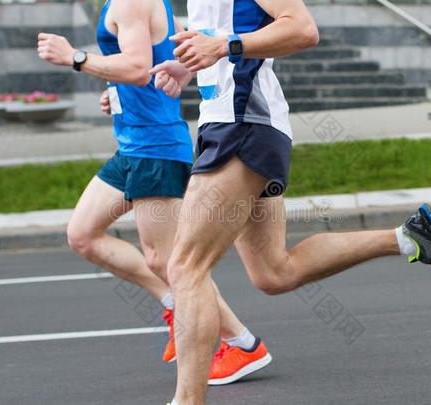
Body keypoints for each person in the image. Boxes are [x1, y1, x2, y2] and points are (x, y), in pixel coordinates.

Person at [150, 0, 431, 403]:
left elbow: (302, 28)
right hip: (233, 122)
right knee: (273, 273)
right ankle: (410, 237)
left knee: (184, 266)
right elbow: (222, 41)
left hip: (244, 124)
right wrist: (193, 65)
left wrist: (224, 47)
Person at [36, 0, 272, 385]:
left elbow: (136, 66)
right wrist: (117, 96)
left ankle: (243, 344)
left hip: (155, 148)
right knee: (83, 235)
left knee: (168, 262)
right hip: (132, 145)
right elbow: (149, 69)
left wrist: (75, 57)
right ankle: (174, 304)